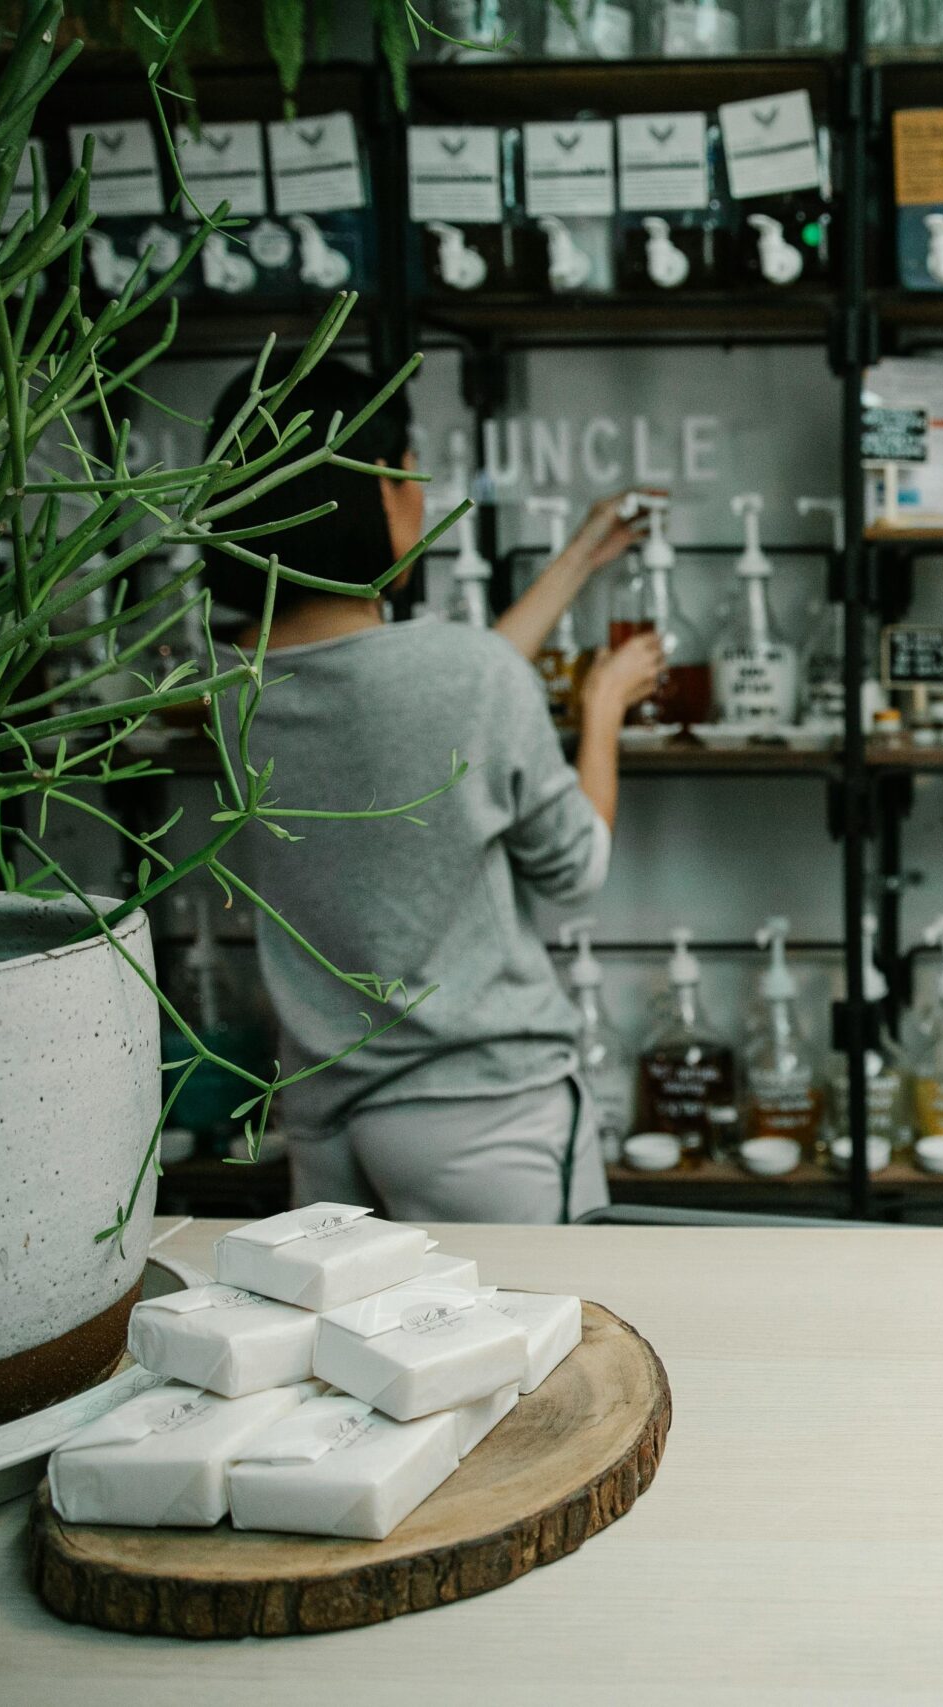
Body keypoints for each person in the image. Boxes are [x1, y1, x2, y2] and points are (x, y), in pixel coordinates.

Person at [202, 353, 663, 1223]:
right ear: (375, 496)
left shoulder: (233, 686)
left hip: (327, 1118)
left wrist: (577, 562)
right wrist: (602, 710)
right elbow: (578, 873)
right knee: (537, 1356)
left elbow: (431, 692)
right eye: (407, 470)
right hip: (485, 1114)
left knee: (360, 1355)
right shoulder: (467, 675)